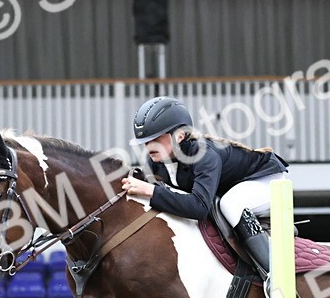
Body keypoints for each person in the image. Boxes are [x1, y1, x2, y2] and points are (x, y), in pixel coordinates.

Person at [119, 96, 287, 278]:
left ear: (180, 136)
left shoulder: (203, 154)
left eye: (156, 139)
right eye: (146, 142)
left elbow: (198, 207)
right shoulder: (155, 163)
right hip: (228, 187)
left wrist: (149, 190)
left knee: (230, 204)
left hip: (267, 181)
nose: (149, 146)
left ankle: (275, 275)